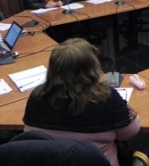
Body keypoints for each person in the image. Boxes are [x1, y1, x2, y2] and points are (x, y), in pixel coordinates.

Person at [23, 38, 141, 166]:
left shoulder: (37, 97)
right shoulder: (107, 99)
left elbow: (28, 133)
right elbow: (129, 132)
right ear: (92, 67)